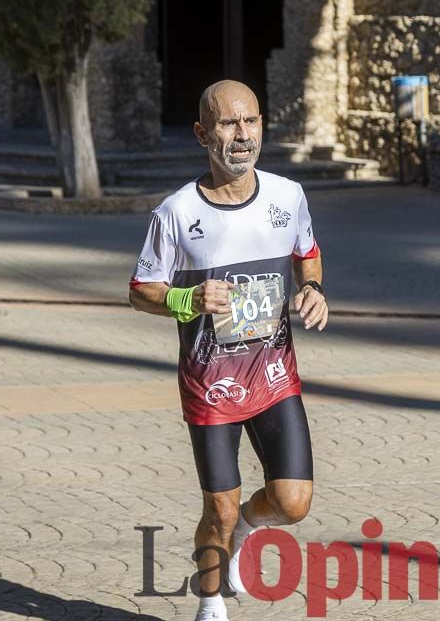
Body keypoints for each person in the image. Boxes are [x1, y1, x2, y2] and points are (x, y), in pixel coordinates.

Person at [129, 80, 329, 621]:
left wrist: (311, 288)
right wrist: (185, 297)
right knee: (216, 507)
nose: (242, 136)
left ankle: (247, 525)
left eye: (251, 122)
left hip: (273, 377)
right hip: (210, 386)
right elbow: (140, 289)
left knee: (293, 503)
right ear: (202, 134)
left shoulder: (288, 196)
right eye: (227, 124)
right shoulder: (174, 213)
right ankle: (210, 599)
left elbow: (306, 254)